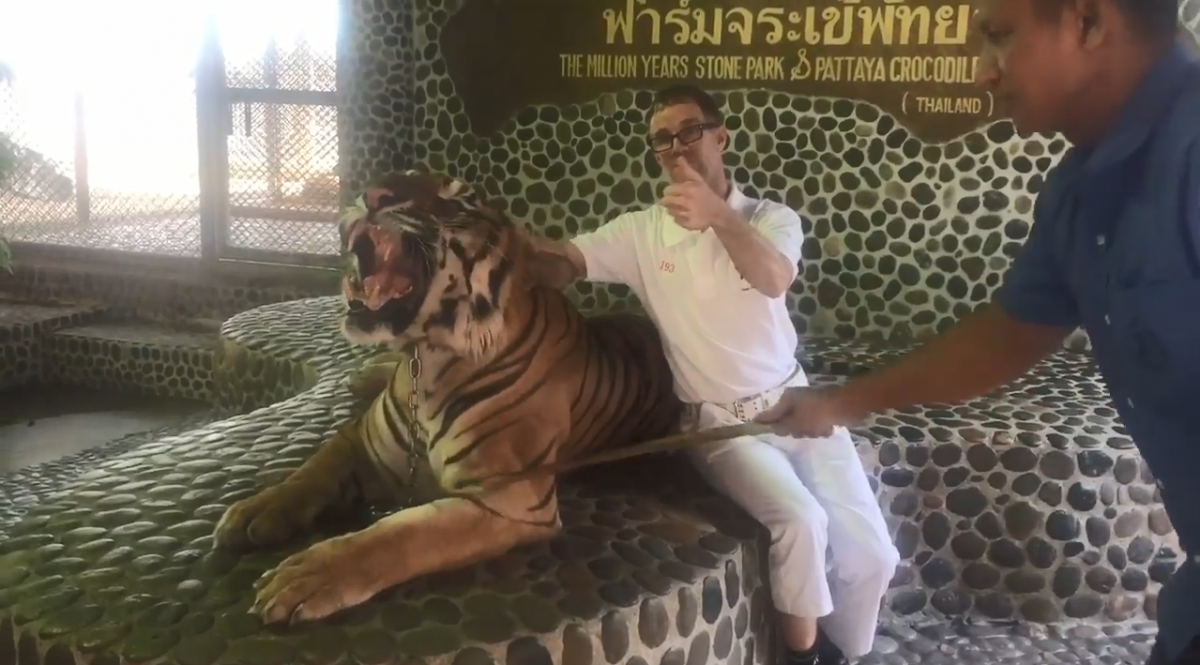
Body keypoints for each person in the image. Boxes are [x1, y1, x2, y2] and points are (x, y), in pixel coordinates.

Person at [756, 1, 1200, 663]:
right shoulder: (1077, 194)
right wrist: (839, 402)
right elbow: (1008, 335)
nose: (983, 73)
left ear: (1087, 21)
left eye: (999, 37)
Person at [530, 83, 899, 665]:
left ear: (720, 137)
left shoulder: (772, 218)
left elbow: (774, 278)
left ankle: (846, 651)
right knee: (801, 522)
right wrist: (494, 241)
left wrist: (719, 216)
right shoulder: (641, 233)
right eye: (662, 139)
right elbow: (563, 262)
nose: (676, 147)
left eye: (690, 131)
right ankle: (802, 659)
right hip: (722, 428)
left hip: (796, 406)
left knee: (876, 555)